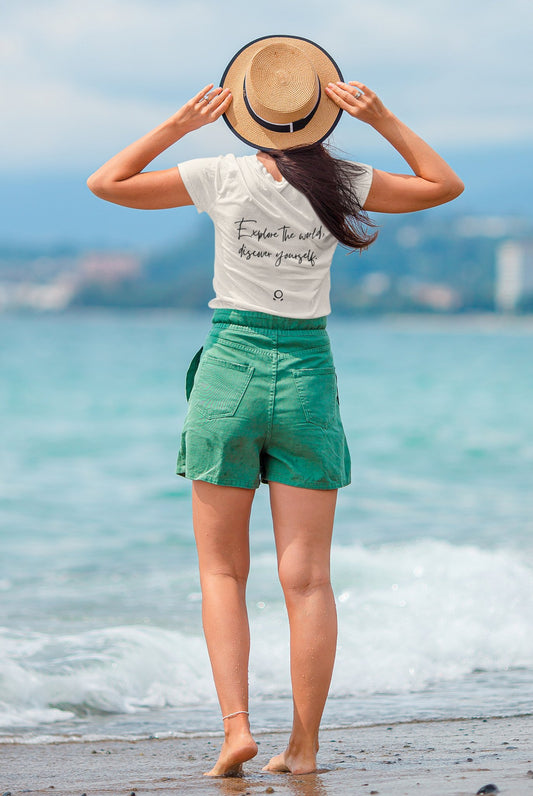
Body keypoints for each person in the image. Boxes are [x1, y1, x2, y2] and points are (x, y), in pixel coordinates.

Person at [87, 35, 463, 778]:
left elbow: (108, 182)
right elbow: (441, 184)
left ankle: (235, 729)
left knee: (222, 572)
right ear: (320, 111)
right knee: (309, 580)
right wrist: (383, 117)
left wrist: (180, 125)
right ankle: (304, 745)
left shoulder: (219, 175)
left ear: (246, 112)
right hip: (305, 375)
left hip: (229, 371)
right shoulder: (346, 179)